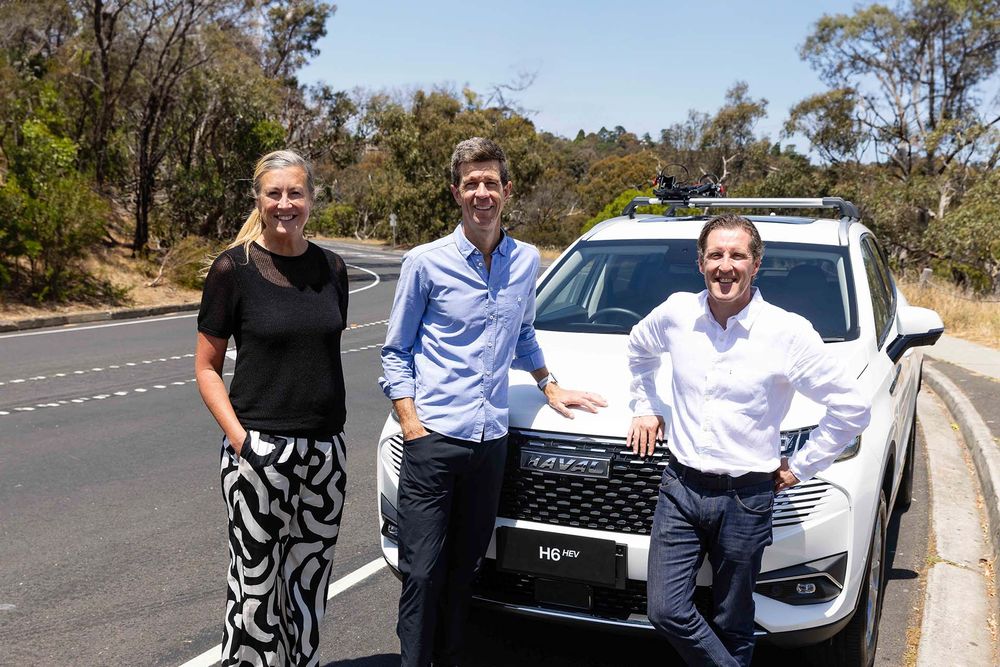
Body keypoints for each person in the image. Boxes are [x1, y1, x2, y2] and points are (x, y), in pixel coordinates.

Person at [380, 137, 607, 667]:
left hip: (491, 445)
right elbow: (396, 351)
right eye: (470, 183)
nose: (481, 193)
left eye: (490, 183)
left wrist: (550, 385)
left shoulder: (526, 261)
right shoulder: (425, 263)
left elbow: (523, 333)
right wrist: (411, 424)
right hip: (434, 440)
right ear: (456, 192)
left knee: (465, 571)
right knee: (421, 571)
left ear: (507, 190)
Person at [626, 214, 871, 666]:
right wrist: (646, 405)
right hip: (679, 488)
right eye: (716, 254)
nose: (726, 265)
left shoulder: (787, 332)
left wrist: (801, 465)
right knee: (665, 610)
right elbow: (638, 347)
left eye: (737, 255)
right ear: (700, 262)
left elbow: (853, 408)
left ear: (755, 264)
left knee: (733, 620)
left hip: (747, 499)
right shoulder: (677, 313)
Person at [194, 149, 349, 667]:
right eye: (274, 193)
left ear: (311, 198)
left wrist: (326, 444)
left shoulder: (332, 268)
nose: (286, 204)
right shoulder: (230, 270)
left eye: (296, 193)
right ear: (258, 200)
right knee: (255, 591)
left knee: (308, 589)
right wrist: (243, 443)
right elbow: (206, 368)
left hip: (325, 454)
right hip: (259, 451)